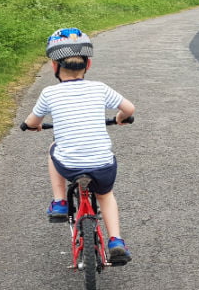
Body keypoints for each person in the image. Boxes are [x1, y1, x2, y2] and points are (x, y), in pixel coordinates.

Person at [21, 28, 135, 264]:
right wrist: (121, 118)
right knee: (105, 196)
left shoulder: (49, 93)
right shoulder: (100, 88)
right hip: (102, 165)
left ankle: (60, 202)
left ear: (54, 66)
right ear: (88, 64)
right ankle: (116, 241)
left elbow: (32, 121)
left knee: (54, 149)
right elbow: (129, 109)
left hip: (69, 166)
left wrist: (32, 126)